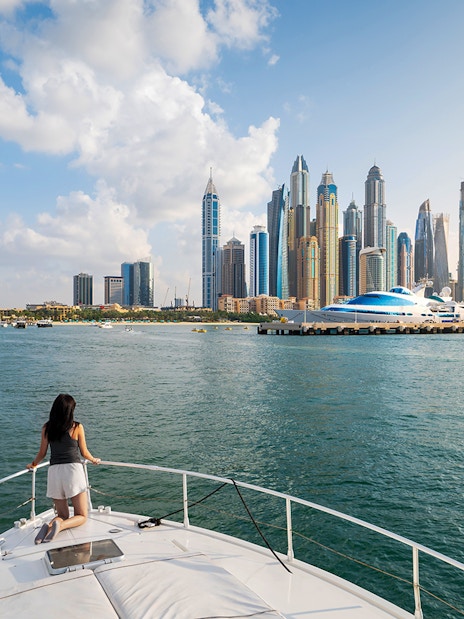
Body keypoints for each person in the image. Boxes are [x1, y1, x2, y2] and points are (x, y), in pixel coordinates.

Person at [27, 394, 101, 544]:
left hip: (54, 472)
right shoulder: (77, 427)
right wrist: (94, 459)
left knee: (63, 513)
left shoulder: (47, 428)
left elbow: (42, 453)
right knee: (81, 515)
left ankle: (48, 526)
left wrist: (33, 464)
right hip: (73, 471)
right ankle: (60, 525)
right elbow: (84, 452)